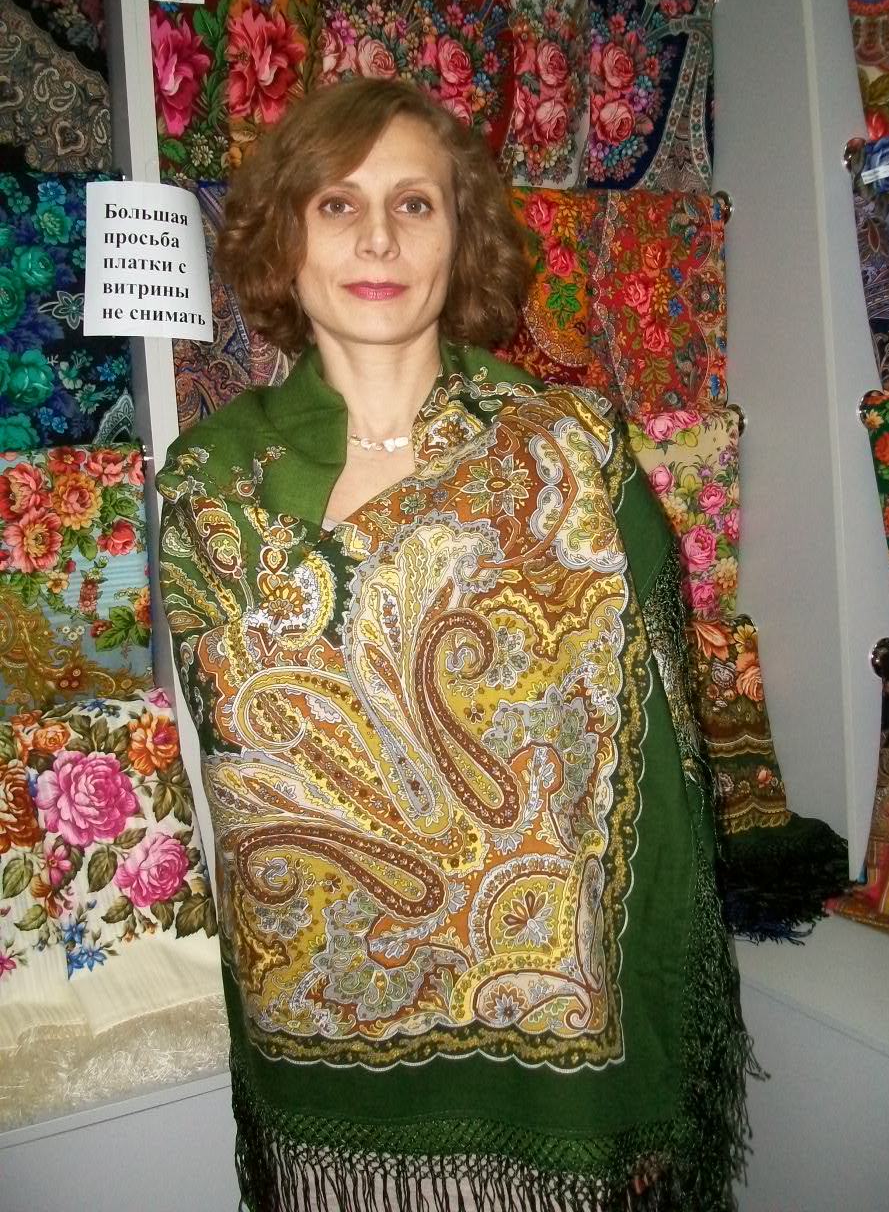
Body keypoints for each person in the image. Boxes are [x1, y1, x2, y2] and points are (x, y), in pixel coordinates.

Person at [156, 78, 750, 1212]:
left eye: (414, 203)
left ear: (460, 235)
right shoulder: (210, 483)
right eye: (338, 203)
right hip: (323, 1067)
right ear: (285, 238)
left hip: (566, 1080)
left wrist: (661, 1045)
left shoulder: (571, 454)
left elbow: (667, 767)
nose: (378, 237)